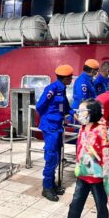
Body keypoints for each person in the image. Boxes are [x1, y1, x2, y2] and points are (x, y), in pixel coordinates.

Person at [52, 99, 109, 218]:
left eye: (82, 111)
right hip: (82, 175)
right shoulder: (82, 128)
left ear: (92, 113)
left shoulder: (101, 131)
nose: (79, 114)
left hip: (97, 178)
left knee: (101, 206)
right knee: (75, 204)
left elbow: (108, 157)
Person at [36, 64, 74, 202]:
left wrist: (69, 112)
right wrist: (50, 118)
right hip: (50, 127)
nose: (71, 79)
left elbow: (62, 105)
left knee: (57, 156)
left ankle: (52, 184)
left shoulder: (61, 89)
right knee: (51, 157)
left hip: (57, 126)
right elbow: (40, 106)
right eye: (70, 77)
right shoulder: (51, 89)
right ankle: (47, 188)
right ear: (64, 78)